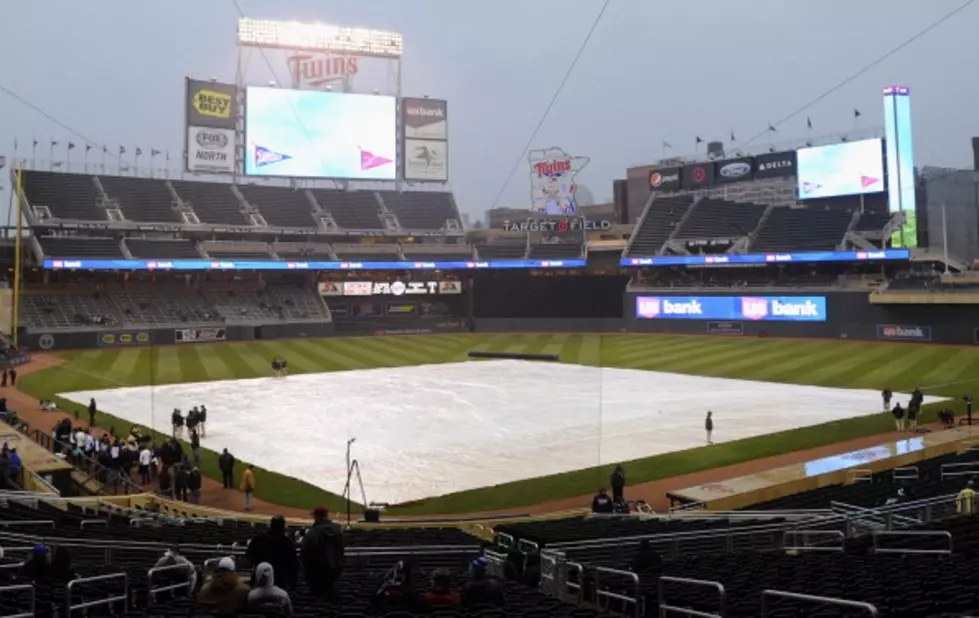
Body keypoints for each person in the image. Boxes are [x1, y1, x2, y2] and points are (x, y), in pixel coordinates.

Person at [301, 506, 344, 600]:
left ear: (317, 516)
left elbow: (305, 553)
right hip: (335, 571)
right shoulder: (337, 530)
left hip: (317, 573)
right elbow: (341, 550)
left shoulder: (313, 532)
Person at [246, 515, 299, 591]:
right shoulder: (287, 543)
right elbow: (294, 566)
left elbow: (249, 558)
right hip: (280, 582)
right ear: (283, 527)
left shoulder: (258, 539)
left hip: (259, 580)